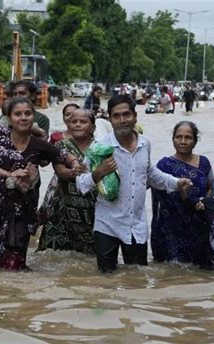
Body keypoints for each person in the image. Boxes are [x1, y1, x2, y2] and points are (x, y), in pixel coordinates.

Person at [76, 95, 193, 273]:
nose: (122, 120)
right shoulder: (98, 148)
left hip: (136, 225)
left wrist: (177, 183)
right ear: (110, 119)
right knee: (105, 280)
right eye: (116, 116)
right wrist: (99, 172)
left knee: (137, 279)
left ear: (135, 117)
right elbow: (81, 184)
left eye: (126, 115)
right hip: (106, 224)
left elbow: (151, 174)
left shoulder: (145, 144)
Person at [0, 97, 82, 271]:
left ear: (33, 117)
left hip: (21, 212)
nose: (23, 118)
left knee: (15, 266)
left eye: (28, 114)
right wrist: (8, 174)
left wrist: (74, 163)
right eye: (18, 114)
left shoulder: (38, 144)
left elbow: (63, 155)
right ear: (9, 118)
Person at [150, 121, 214, 265]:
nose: (183, 141)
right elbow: (148, 183)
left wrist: (204, 203)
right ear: (173, 139)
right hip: (170, 230)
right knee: (171, 272)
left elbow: (211, 187)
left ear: (195, 140)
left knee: (196, 271)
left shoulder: (204, 163)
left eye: (188, 137)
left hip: (197, 227)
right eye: (178, 137)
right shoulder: (164, 165)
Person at [37, 109, 97, 254]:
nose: (77, 125)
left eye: (83, 122)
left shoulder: (100, 147)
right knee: (53, 256)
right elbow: (60, 171)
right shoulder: (61, 145)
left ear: (93, 127)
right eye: (73, 122)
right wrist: (72, 172)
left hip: (92, 210)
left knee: (90, 258)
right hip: (62, 209)